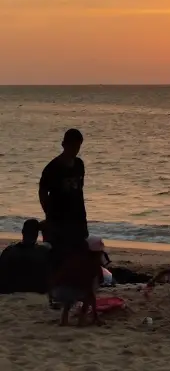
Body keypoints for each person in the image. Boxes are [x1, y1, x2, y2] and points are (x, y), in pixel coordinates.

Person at [39, 129, 89, 269]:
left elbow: (80, 190)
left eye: (78, 146)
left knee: (79, 252)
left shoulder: (79, 165)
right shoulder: (53, 168)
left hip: (78, 217)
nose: (75, 149)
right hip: (59, 219)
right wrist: (49, 215)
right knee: (60, 255)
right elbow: (43, 192)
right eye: (72, 146)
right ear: (64, 144)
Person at [51, 235, 105, 327]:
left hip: (57, 292)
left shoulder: (73, 257)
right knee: (89, 294)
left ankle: (64, 320)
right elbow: (96, 283)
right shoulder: (94, 265)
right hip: (73, 290)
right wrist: (95, 314)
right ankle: (81, 321)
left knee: (70, 294)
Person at [0, 219, 51, 294]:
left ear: (22, 231)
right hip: (35, 293)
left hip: (13, 291)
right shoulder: (43, 252)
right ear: (37, 234)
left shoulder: (9, 251)